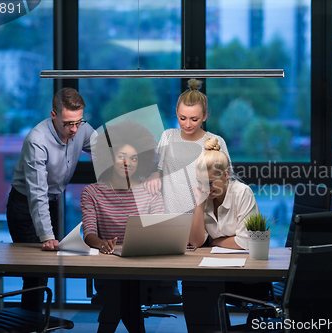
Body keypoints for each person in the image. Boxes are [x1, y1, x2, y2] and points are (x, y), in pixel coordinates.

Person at [6, 87, 94, 312]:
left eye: (79, 122)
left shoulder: (80, 129)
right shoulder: (37, 140)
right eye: (68, 124)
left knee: (47, 269)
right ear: (53, 115)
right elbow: (37, 192)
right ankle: (30, 325)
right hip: (24, 206)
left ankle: (35, 321)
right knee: (35, 275)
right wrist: (46, 235)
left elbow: (106, 147)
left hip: (53, 202)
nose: (74, 129)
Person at [81, 122, 164, 333]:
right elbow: (89, 234)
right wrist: (102, 244)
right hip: (107, 268)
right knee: (124, 288)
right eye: (122, 156)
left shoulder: (149, 190)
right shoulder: (92, 192)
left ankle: (105, 329)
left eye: (134, 158)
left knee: (124, 286)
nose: (128, 162)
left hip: (144, 267)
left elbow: (162, 228)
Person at [183, 137, 262, 333]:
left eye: (210, 182)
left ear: (226, 175)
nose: (205, 188)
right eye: (200, 182)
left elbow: (247, 242)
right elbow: (195, 242)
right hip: (214, 270)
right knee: (192, 284)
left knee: (203, 288)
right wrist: (199, 203)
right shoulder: (204, 195)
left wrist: (215, 241)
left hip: (245, 272)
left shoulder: (243, 193)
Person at [144, 78, 231, 214]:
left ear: (205, 116)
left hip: (204, 216)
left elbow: (226, 181)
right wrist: (154, 175)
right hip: (170, 215)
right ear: (177, 112)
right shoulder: (168, 136)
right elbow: (156, 169)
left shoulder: (216, 141)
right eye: (182, 118)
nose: (188, 124)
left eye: (194, 119)